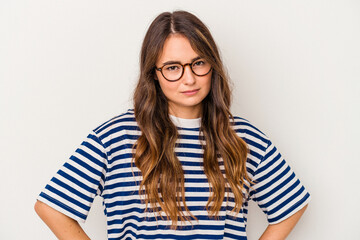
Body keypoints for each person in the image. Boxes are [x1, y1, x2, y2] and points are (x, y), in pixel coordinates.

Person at [34, 10, 310, 240]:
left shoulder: (242, 138)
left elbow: (292, 206)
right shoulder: (115, 137)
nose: (189, 79)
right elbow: (52, 207)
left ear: (212, 66)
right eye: (173, 67)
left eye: (198, 63)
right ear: (154, 74)